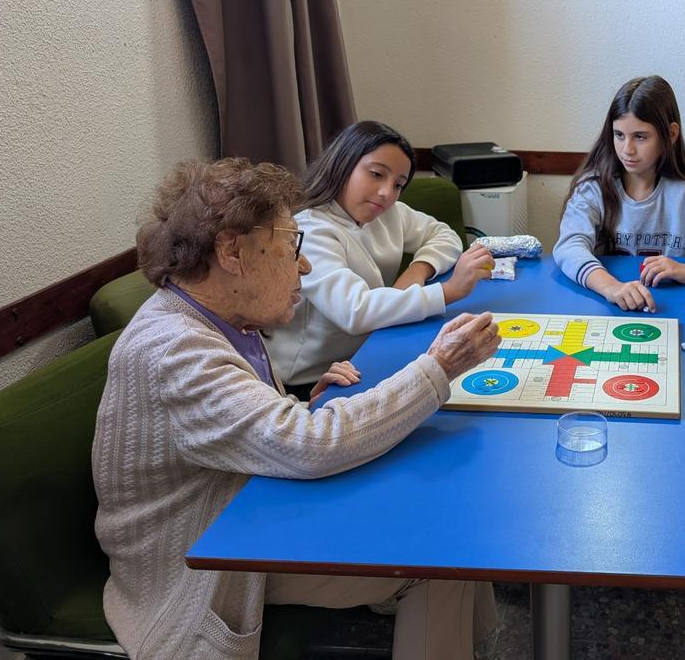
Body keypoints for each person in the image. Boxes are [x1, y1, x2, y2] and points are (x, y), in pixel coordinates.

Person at [92, 158, 501, 660]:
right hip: (192, 567)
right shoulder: (172, 349)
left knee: (435, 521)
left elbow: (233, 429)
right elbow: (307, 448)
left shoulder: (222, 317)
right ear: (232, 252)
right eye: (291, 247)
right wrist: (437, 367)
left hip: (247, 512)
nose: (303, 266)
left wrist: (295, 404)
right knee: (436, 557)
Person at [267, 120, 493, 396]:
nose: (387, 193)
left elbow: (444, 235)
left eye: (398, 184)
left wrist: (418, 270)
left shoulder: (387, 212)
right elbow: (355, 311)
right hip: (314, 377)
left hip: (371, 347)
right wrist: (449, 291)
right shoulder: (311, 229)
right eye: (376, 174)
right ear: (343, 164)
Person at [553, 75, 685, 312]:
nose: (627, 149)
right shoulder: (593, 188)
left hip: (668, 308)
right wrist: (611, 288)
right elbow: (568, 247)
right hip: (603, 306)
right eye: (619, 135)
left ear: (671, 134)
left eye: (640, 136)